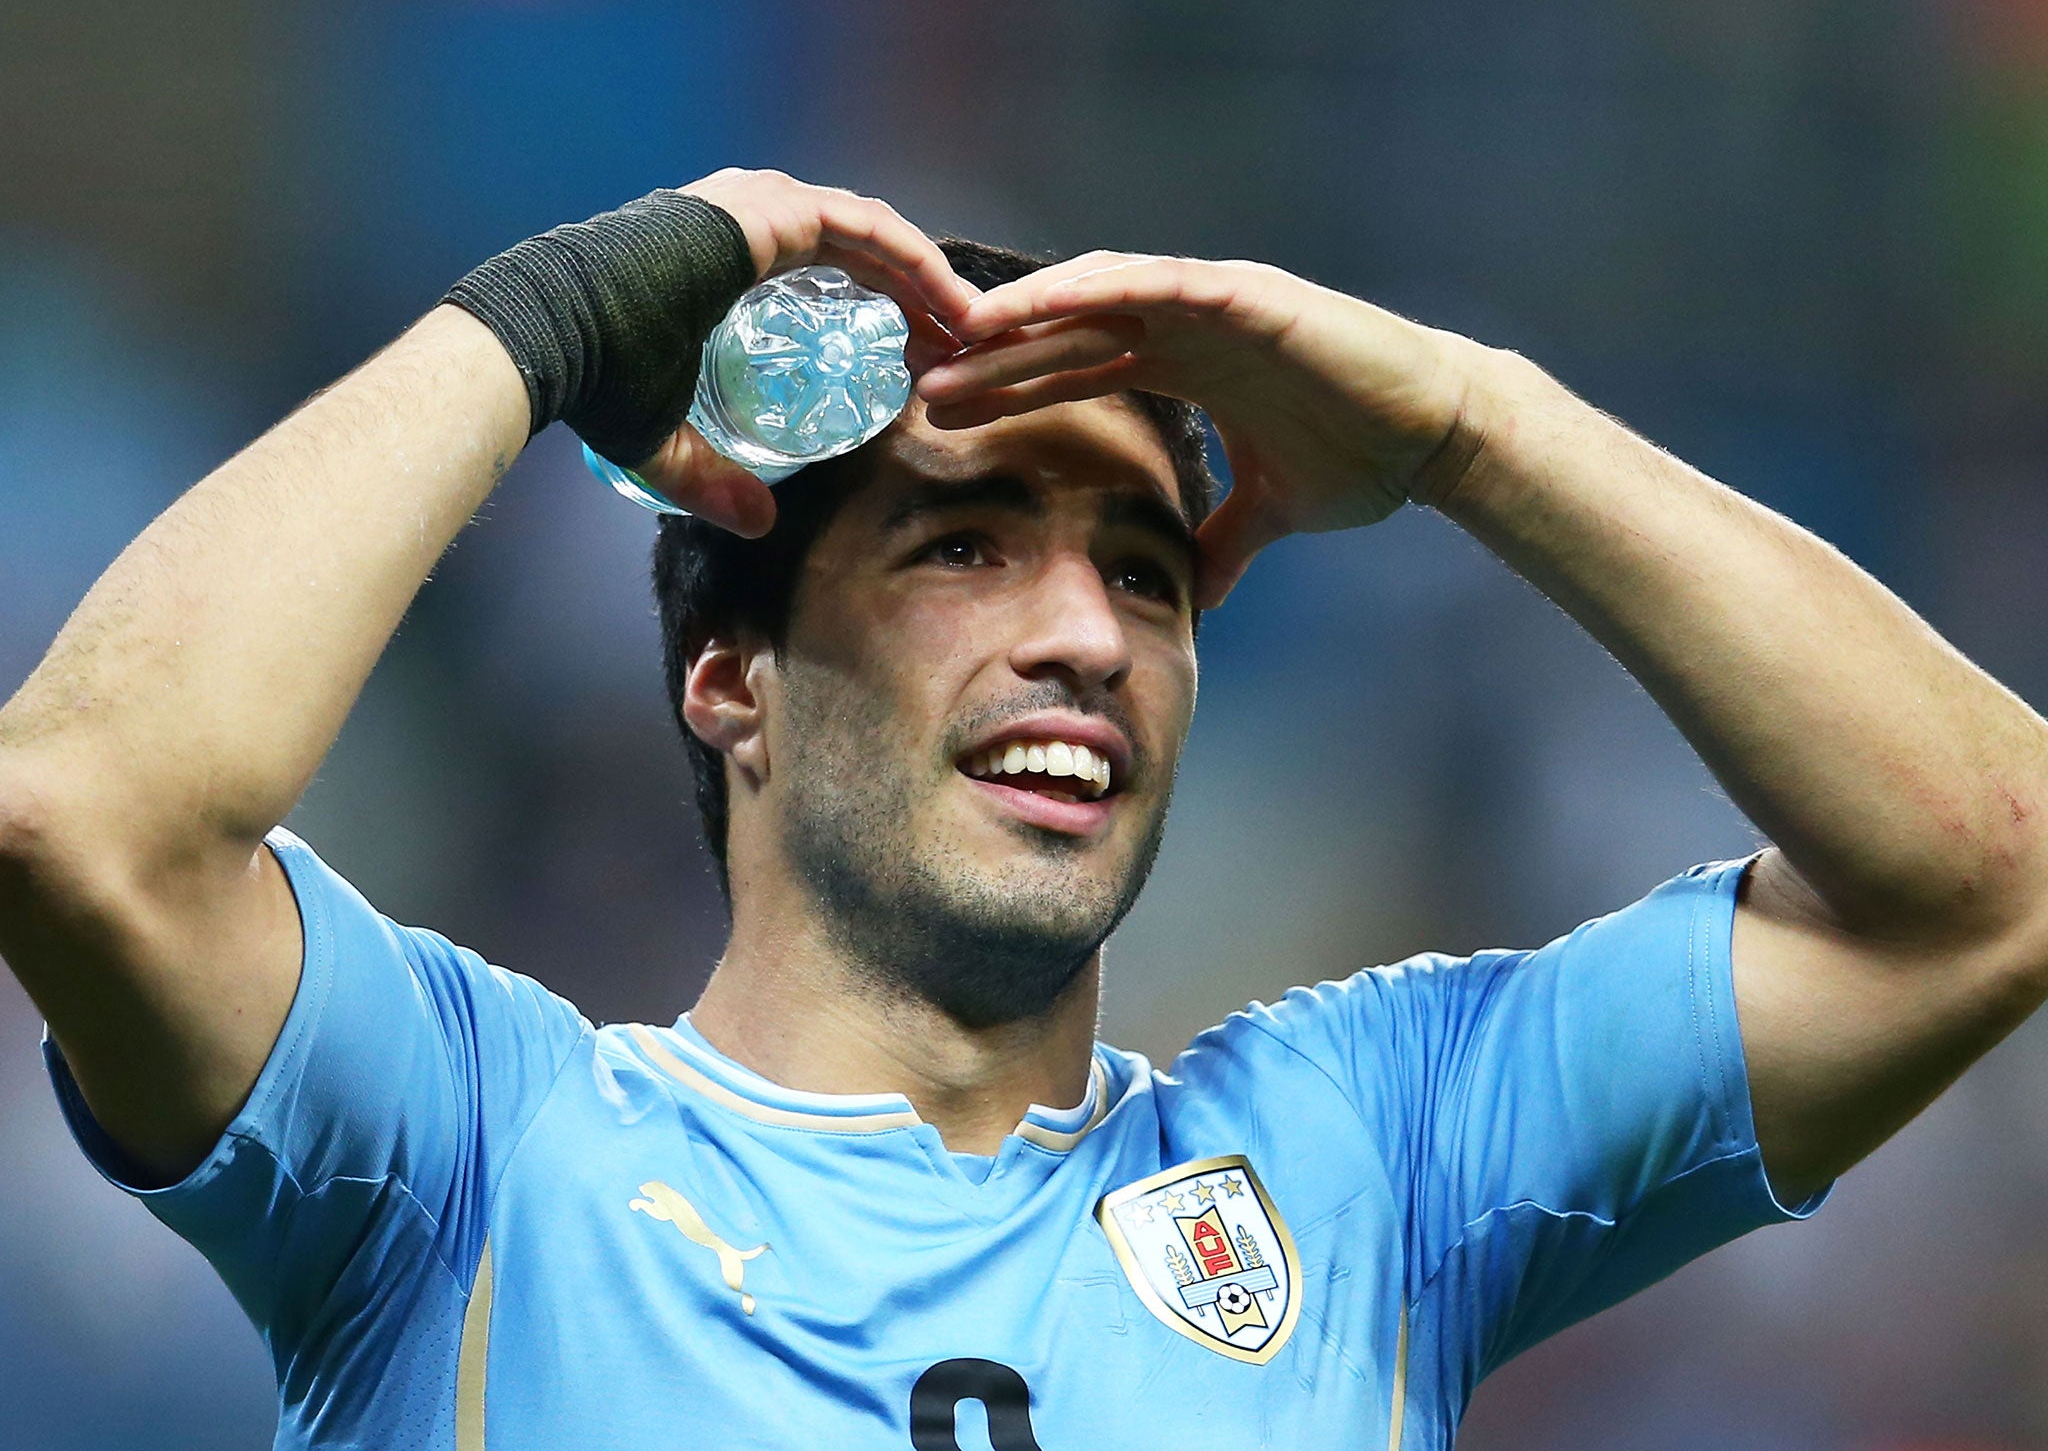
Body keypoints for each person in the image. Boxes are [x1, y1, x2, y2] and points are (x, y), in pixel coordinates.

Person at [2, 167, 2044, 1451]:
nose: (1084, 630)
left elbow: (1985, 874)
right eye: (961, 548)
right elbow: (78, 817)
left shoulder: (1367, 1161)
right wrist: (533, 337)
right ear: (734, 683)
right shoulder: (461, 1148)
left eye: (1143, 572)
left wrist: (1467, 426)